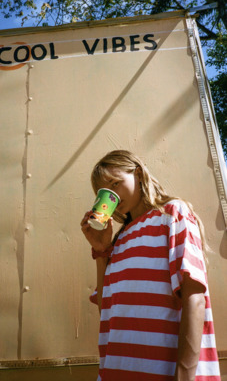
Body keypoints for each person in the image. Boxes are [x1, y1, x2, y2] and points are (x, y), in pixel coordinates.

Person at [81, 150, 221, 381]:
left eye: (115, 183)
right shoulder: (120, 239)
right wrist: (101, 250)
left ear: (138, 173)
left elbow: (194, 297)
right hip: (118, 370)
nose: (111, 196)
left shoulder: (172, 214)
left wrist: (184, 376)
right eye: (103, 193)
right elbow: (107, 311)